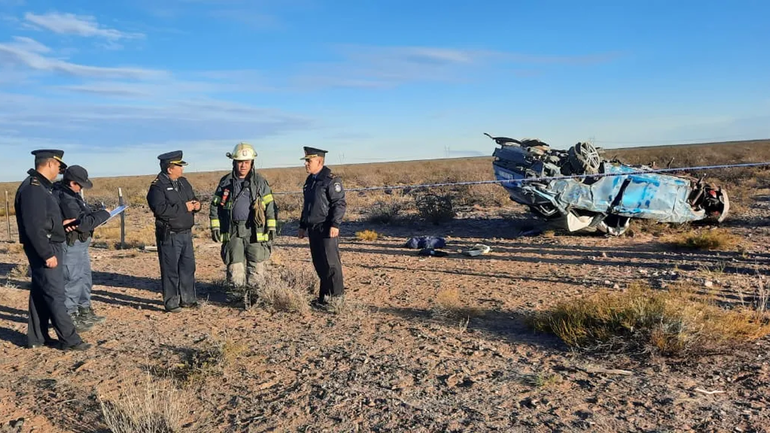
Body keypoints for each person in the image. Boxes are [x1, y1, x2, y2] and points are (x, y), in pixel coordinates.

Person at [14, 149, 90, 351]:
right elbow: (33, 226)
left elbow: (44, 220)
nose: (59, 170)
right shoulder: (33, 188)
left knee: (41, 292)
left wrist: (60, 224)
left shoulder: (42, 188)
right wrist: (47, 254)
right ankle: (70, 340)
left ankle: (37, 337)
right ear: (49, 164)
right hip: (46, 248)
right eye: (58, 166)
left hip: (49, 243)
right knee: (56, 294)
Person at [209, 143, 277, 291]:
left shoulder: (260, 182)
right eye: (240, 162)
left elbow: (270, 206)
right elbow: (215, 205)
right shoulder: (225, 183)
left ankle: (255, 295)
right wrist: (215, 226)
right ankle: (237, 295)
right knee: (235, 265)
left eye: (246, 162)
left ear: (252, 163)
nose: (243, 166)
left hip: (255, 230)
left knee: (256, 264)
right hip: (233, 231)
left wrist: (271, 226)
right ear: (234, 162)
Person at [53, 165, 111, 330]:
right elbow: (82, 223)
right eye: (80, 185)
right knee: (72, 280)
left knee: (84, 278)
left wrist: (95, 213)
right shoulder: (65, 197)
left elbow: (84, 215)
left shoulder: (72, 194)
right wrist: (104, 214)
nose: (81, 189)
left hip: (80, 244)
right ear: (72, 183)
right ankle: (70, 317)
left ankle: (83, 310)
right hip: (71, 244)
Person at [146, 150, 200, 313]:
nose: (182, 169)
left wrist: (197, 206)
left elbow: (192, 198)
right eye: (179, 166)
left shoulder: (183, 182)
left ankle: (188, 299)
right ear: (170, 168)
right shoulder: (157, 187)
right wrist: (184, 207)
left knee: (187, 267)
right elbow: (160, 210)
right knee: (170, 269)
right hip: (169, 235)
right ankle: (171, 302)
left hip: (185, 233)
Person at [297, 146, 347, 305]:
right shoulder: (310, 180)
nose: (306, 164)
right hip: (313, 228)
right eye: (305, 161)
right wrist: (302, 225)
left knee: (331, 264)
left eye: (308, 161)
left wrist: (335, 224)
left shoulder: (331, 180)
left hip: (326, 228)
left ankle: (337, 299)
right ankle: (325, 298)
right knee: (319, 263)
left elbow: (339, 203)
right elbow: (307, 206)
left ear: (319, 161)